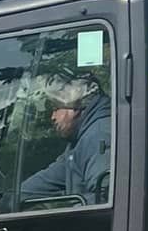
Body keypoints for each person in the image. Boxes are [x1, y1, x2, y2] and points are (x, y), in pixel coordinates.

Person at [20, 74, 113, 208]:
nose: (52, 117)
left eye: (56, 108)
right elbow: (50, 178)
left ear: (75, 107)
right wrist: (3, 202)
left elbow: (103, 200)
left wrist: (57, 211)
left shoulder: (98, 137)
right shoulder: (80, 141)